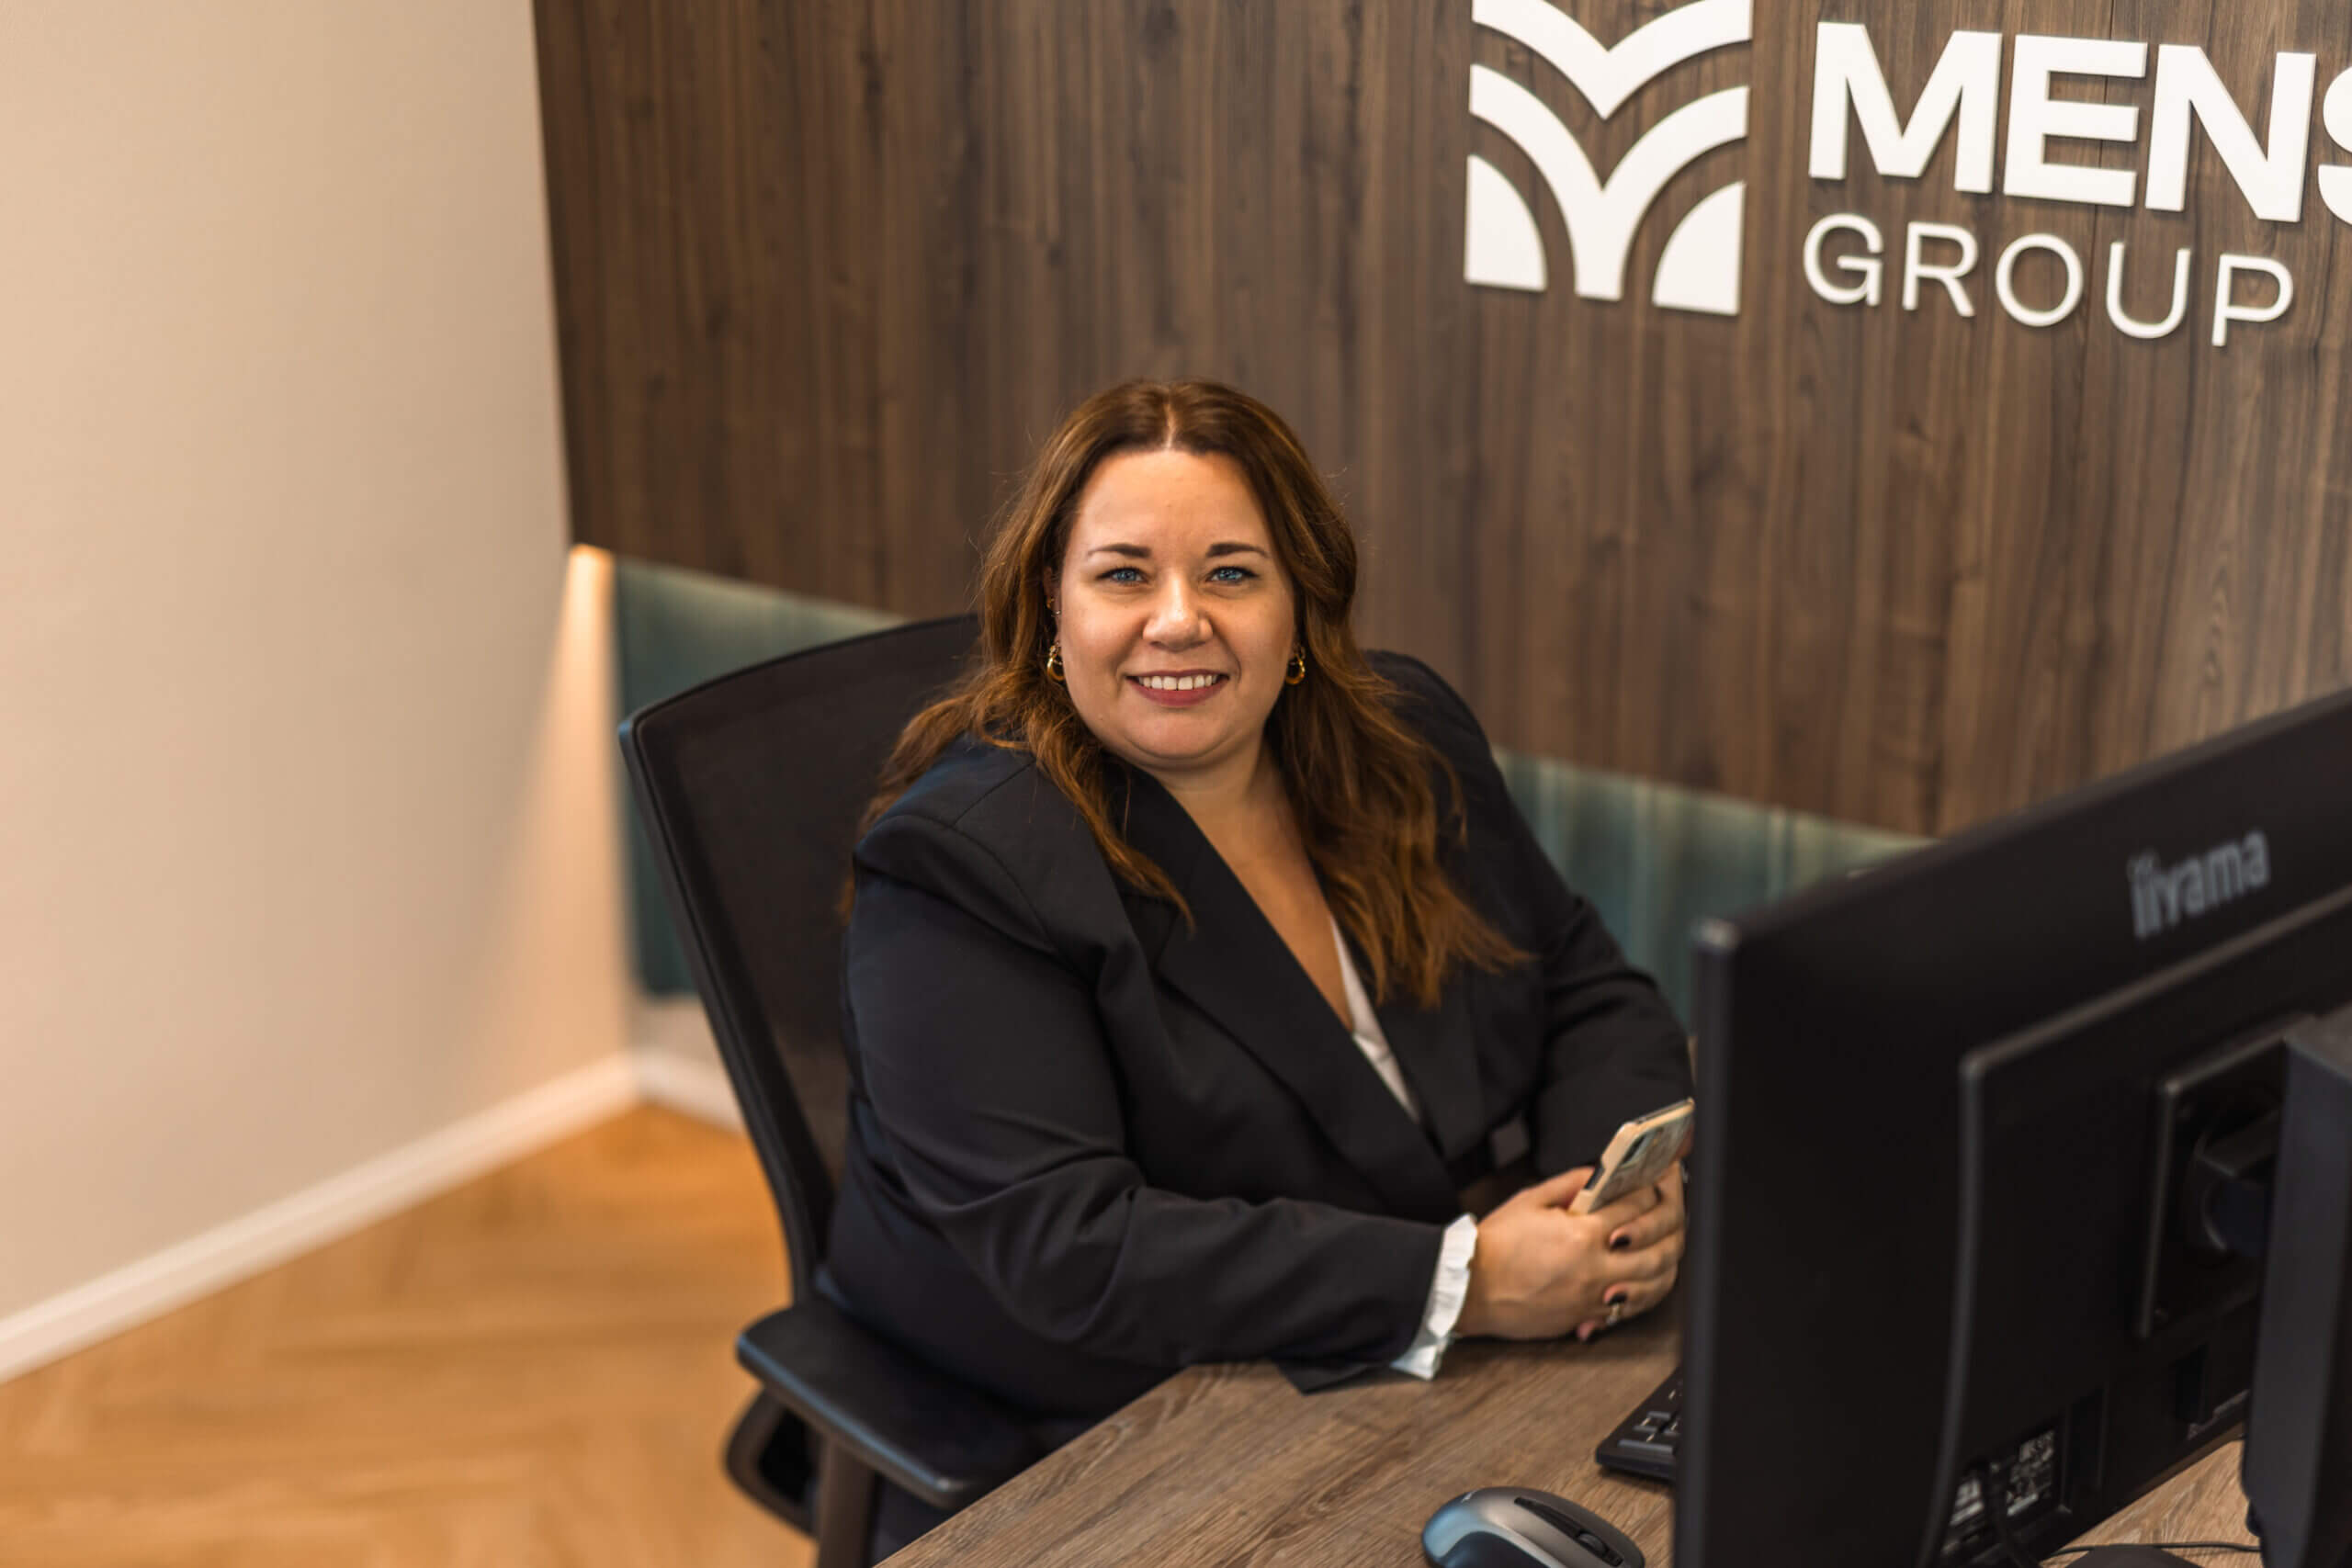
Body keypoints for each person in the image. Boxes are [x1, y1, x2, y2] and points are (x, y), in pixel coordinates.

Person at [820, 379, 1693, 1543]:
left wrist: (1612, 1199)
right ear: (1050, 608)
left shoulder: (1404, 737)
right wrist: (1468, 1281)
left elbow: (1578, 974)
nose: (1178, 620)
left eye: (1231, 572)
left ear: (1299, 605)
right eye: (1123, 575)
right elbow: (1072, 1250)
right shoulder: (962, 867)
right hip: (1116, 1421)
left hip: (1423, 1322)